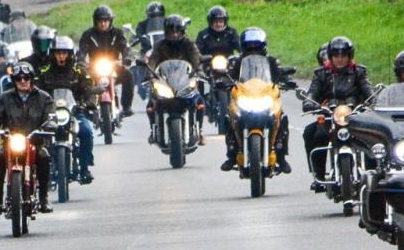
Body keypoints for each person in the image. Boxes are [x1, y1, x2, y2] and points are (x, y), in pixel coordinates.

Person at [219, 26, 292, 173]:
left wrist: (286, 80)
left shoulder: (271, 61)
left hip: (265, 97)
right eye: (250, 48)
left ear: (263, 47)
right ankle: (232, 155)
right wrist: (224, 81)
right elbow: (230, 76)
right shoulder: (239, 62)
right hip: (246, 97)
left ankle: (281, 157)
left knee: (282, 119)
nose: (253, 51)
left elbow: (280, 75)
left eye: (256, 48)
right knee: (229, 119)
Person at [0, 61, 56, 213]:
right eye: (19, 78)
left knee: (44, 156)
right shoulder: (3, 98)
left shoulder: (44, 98)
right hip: (11, 142)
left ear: (31, 79)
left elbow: (51, 117)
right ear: (14, 81)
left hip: (35, 142)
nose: (23, 81)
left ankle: (44, 199)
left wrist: (50, 125)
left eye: (26, 78)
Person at [302, 36, 372, 179]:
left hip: (355, 116)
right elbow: (312, 93)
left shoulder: (359, 72)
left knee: (373, 136)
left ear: (349, 56)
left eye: (343, 55)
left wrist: (373, 101)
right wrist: (310, 103)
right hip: (330, 115)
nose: (340, 59)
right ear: (330, 56)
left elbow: (369, 91)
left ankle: (374, 173)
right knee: (313, 133)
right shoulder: (321, 73)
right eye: (336, 56)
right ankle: (319, 176)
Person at [38, 34, 94, 184]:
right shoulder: (44, 73)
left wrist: (89, 102)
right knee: (38, 137)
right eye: (58, 53)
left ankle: (84, 168)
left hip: (74, 113)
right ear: (52, 54)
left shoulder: (79, 72)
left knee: (86, 131)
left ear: (70, 54)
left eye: (64, 53)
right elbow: (37, 91)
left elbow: (89, 90)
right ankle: (43, 171)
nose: (61, 56)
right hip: (50, 115)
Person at [145, 13, 204, 144]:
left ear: (182, 31)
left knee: (199, 101)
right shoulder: (159, 45)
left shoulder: (189, 44)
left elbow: (196, 59)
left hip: (184, 81)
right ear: (166, 32)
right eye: (172, 32)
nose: (175, 34)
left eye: (177, 31)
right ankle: (153, 130)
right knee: (151, 103)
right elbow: (153, 60)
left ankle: (199, 131)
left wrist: (199, 70)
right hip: (165, 81)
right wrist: (149, 73)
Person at [78, 4, 134, 117]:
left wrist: (127, 58)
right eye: (100, 21)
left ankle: (126, 106)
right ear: (95, 21)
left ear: (110, 21)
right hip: (94, 67)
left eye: (106, 21)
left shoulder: (117, 33)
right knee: (82, 78)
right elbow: (82, 51)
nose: (103, 23)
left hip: (114, 66)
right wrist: (80, 61)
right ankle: (86, 105)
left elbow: (125, 48)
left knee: (129, 75)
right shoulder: (88, 35)